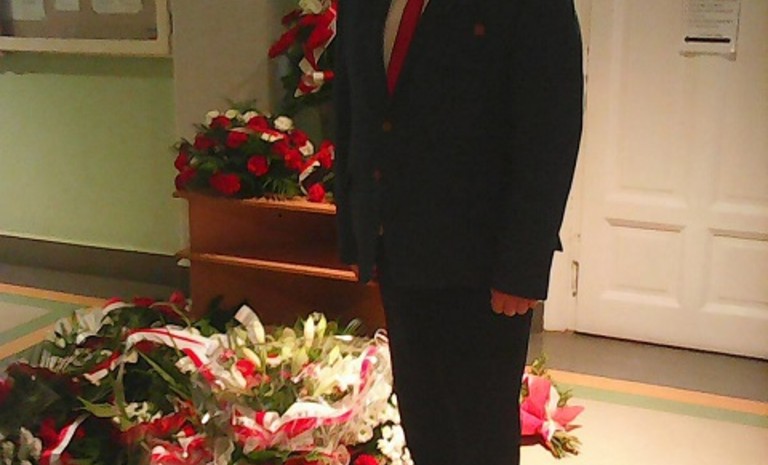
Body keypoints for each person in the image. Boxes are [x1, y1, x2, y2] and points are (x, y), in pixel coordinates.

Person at [333, 0, 583, 463]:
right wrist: (356, 229)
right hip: (398, 244)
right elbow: (351, 109)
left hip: (482, 260)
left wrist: (523, 266)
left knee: (479, 432)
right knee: (424, 421)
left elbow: (550, 130)